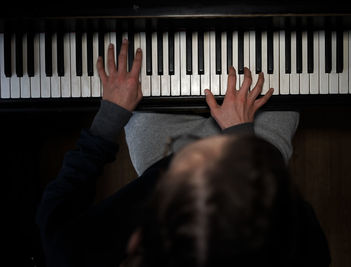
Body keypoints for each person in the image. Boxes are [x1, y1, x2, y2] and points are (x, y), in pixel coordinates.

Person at [36, 39, 331, 267]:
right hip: (250, 177)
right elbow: (309, 244)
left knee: (142, 80)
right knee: (284, 77)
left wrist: (108, 122)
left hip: (164, 164)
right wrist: (241, 139)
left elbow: (57, 235)